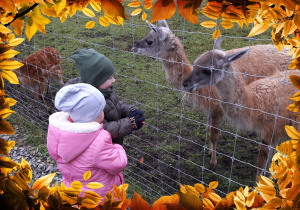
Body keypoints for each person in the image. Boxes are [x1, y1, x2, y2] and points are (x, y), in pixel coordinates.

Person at [47, 83, 128, 199]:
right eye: (101, 110)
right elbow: (118, 164)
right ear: (94, 116)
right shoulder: (99, 140)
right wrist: (117, 147)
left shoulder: (59, 135)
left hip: (74, 193)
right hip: (100, 197)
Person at [65, 48, 145, 145]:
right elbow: (101, 129)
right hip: (100, 150)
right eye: (109, 78)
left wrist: (130, 110)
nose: (114, 80)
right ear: (96, 80)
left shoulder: (104, 91)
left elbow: (114, 104)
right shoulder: (87, 103)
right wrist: (130, 123)